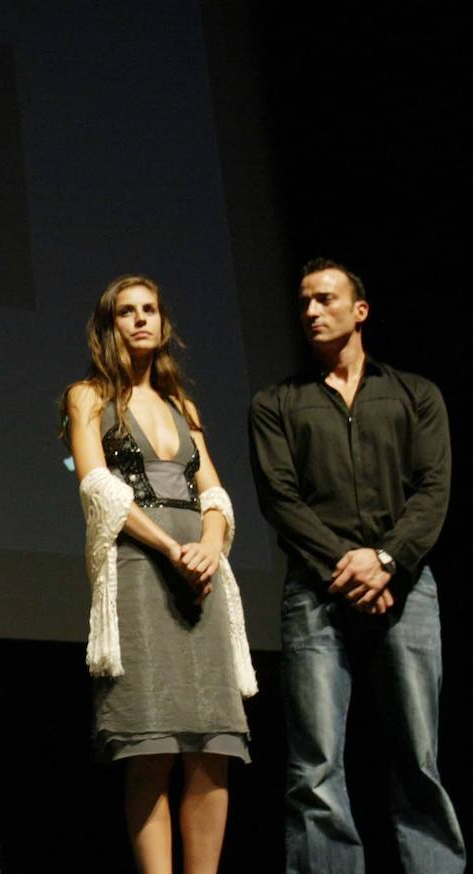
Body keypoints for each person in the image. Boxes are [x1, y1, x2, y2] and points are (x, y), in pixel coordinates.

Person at [249, 258, 464, 873]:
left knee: (419, 756)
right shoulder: (276, 403)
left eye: (325, 299)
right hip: (317, 593)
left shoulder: (416, 395)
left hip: (407, 589)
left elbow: (433, 490)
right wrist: (350, 567)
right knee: (315, 765)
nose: (311, 312)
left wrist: (388, 561)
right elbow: (279, 499)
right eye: (304, 303)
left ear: (359, 311)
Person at [62, 275, 254, 874]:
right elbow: (97, 487)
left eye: (150, 310)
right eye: (127, 311)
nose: (141, 319)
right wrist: (174, 548)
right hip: (142, 571)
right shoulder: (88, 397)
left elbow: (214, 492)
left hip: (203, 575)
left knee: (212, 744)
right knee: (152, 742)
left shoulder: (184, 407)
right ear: (108, 325)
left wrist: (211, 544)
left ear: (164, 323)